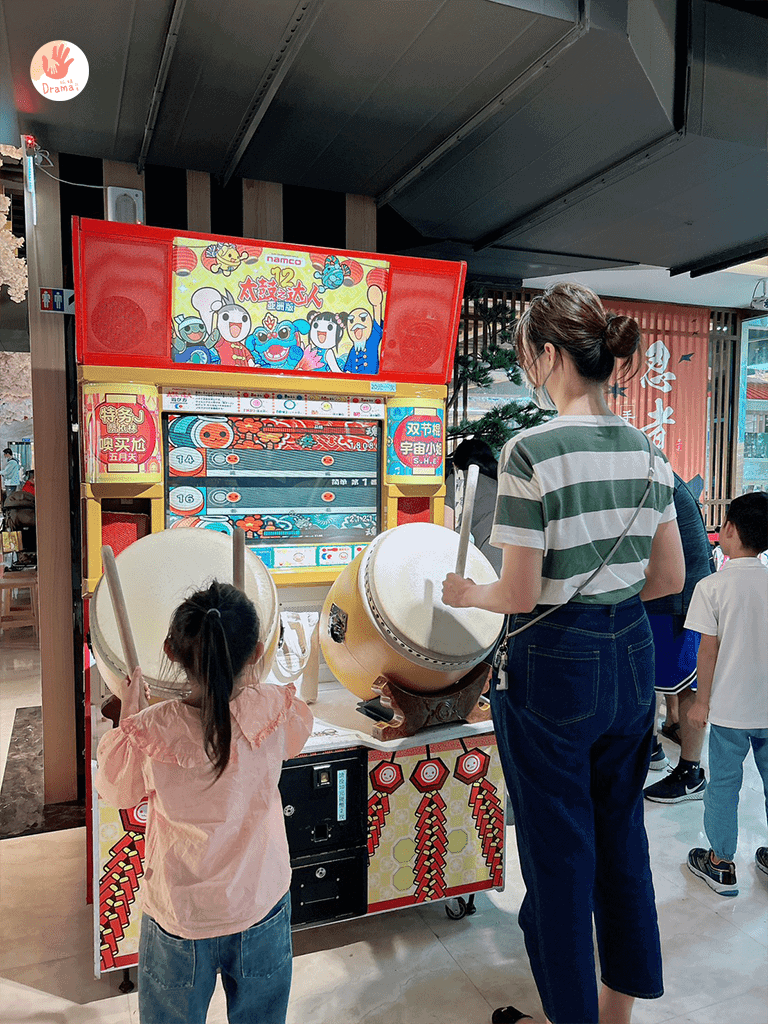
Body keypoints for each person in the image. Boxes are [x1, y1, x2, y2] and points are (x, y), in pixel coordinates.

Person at [442, 282, 684, 1024]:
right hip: (631, 655)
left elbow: (518, 593)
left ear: (548, 355)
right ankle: (616, 1013)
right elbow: (669, 578)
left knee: (558, 854)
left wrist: (466, 591)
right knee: (622, 838)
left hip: (553, 663)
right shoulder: (648, 450)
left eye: (528, 357)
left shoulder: (530, 450)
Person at [95, 581, 313, 1024]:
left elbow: (116, 791)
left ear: (170, 652)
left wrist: (129, 716)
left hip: (180, 914)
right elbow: (293, 742)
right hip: (259, 902)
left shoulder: (149, 730)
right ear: (256, 653)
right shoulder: (277, 708)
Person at [684, 492, 768, 897]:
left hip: (730, 711)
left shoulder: (712, 586)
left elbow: (708, 651)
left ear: (729, 529)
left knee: (723, 785)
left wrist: (701, 702)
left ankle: (720, 863)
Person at [643, 473, 716, 794]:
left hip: (677, 596)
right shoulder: (650, 470)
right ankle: (650, 748)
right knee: (649, 676)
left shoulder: (650, 476)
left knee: (683, 683)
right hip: (672, 591)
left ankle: (690, 772)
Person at [444, 437, 503, 574]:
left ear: (456, 463)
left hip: (480, 564)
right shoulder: (502, 484)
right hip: (512, 560)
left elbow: (446, 530)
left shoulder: (457, 481)